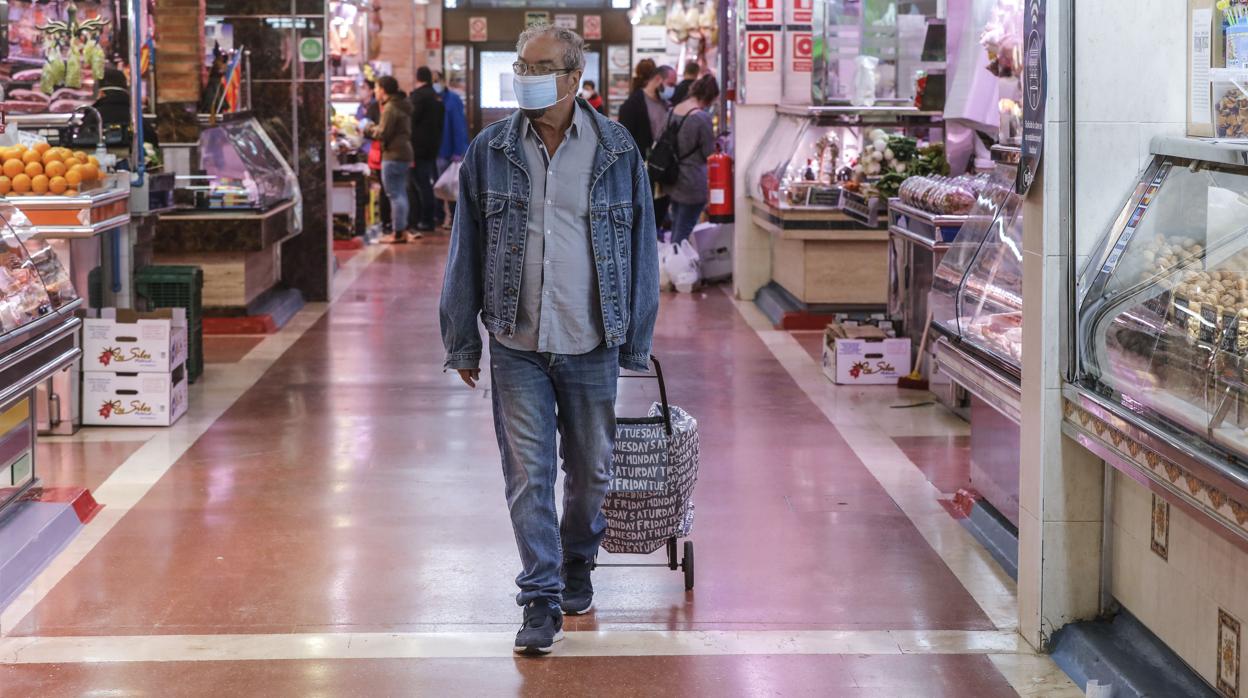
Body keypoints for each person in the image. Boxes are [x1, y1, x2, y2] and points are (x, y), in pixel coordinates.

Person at [439, 25, 659, 656]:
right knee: (528, 475)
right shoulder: (489, 150)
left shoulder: (618, 151)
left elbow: (641, 251)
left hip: (591, 339)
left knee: (591, 470)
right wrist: (463, 341)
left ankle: (576, 563)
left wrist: (635, 343)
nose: (523, 75)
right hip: (517, 340)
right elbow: (466, 250)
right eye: (519, 64)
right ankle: (539, 596)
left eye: (537, 66)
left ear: (573, 79)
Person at [663, 74, 719, 245]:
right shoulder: (702, 118)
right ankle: (675, 267)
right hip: (693, 181)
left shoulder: (673, 110)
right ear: (709, 98)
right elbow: (708, 153)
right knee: (683, 233)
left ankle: (672, 263)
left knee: (677, 226)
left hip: (673, 179)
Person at [618, 60, 672, 230]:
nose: (673, 89)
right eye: (670, 84)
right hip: (643, 171)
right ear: (657, 79)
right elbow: (624, 140)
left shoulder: (666, 105)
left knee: (658, 218)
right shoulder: (633, 105)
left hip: (663, 173)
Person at [365, 76, 414, 244]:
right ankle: (402, 228)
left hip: (393, 155)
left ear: (384, 90)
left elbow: (382, 133)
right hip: (403, 153)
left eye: (377, 88)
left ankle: (398, 232)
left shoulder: (390, 108)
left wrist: (366, 128)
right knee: (400, 193)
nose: (375, 91)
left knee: (394, 194)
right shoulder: (401, 104)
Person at [408, 66, 445, 235]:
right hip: (433, 146)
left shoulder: (418, 97)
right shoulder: (437, 97)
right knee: (427, 183)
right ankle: (431, 218)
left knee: (420, 184)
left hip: (417, 148)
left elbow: (411, 122)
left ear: (417, 78)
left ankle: (424, 219)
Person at [434, 71, 468, 230]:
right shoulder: (433, 100)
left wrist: (459, 151)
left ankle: (454, 218)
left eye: (436, 80)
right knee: (438, 187)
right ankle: (440, 217)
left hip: (449, 150)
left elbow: (458, 126)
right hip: (436, 150)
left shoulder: (452, 100)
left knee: (452, 187)